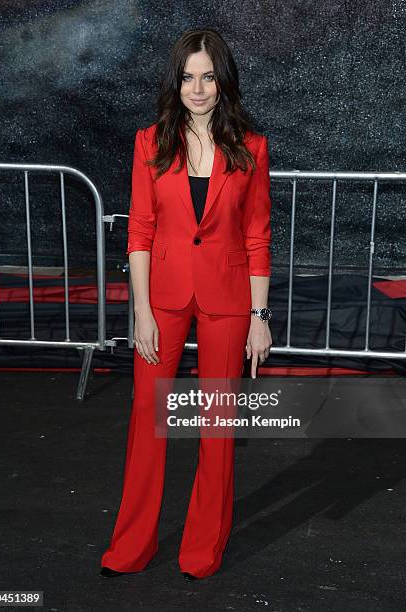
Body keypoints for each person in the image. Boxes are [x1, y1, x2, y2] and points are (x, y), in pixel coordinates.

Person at [100, 27, 273, 581]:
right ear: (175, 82)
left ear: (223, 81)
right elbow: (141, 231)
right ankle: (131, 547)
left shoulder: (251, 147)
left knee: (215, 429)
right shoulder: (150, 142)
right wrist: (141, 311)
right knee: (147, 423)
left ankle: (202, 550)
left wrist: (259, 317)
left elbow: (257, 237)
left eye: (207, 76)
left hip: (227, 300)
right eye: (187, 76)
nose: (197, 88)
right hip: (164, 302)